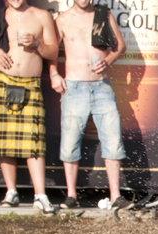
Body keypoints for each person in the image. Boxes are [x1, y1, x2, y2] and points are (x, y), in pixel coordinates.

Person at [49, 0, 131, 212]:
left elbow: (120, 45)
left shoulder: (103, 14)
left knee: (113, 139)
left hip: (101, 86)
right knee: (70, 142)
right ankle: (71, 195)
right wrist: (54, 74)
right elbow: (50, 51)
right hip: (74, 86)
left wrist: (109, 60)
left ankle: (115, 195)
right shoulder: (63, 19)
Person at [0, 0, 58, 215]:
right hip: (3, 81)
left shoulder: (42, 16)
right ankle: (11, 191)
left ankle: (40, 195)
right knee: (4, 140)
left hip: (30, 85)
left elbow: (53, 52)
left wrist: (37, 44)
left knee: (34, 140)